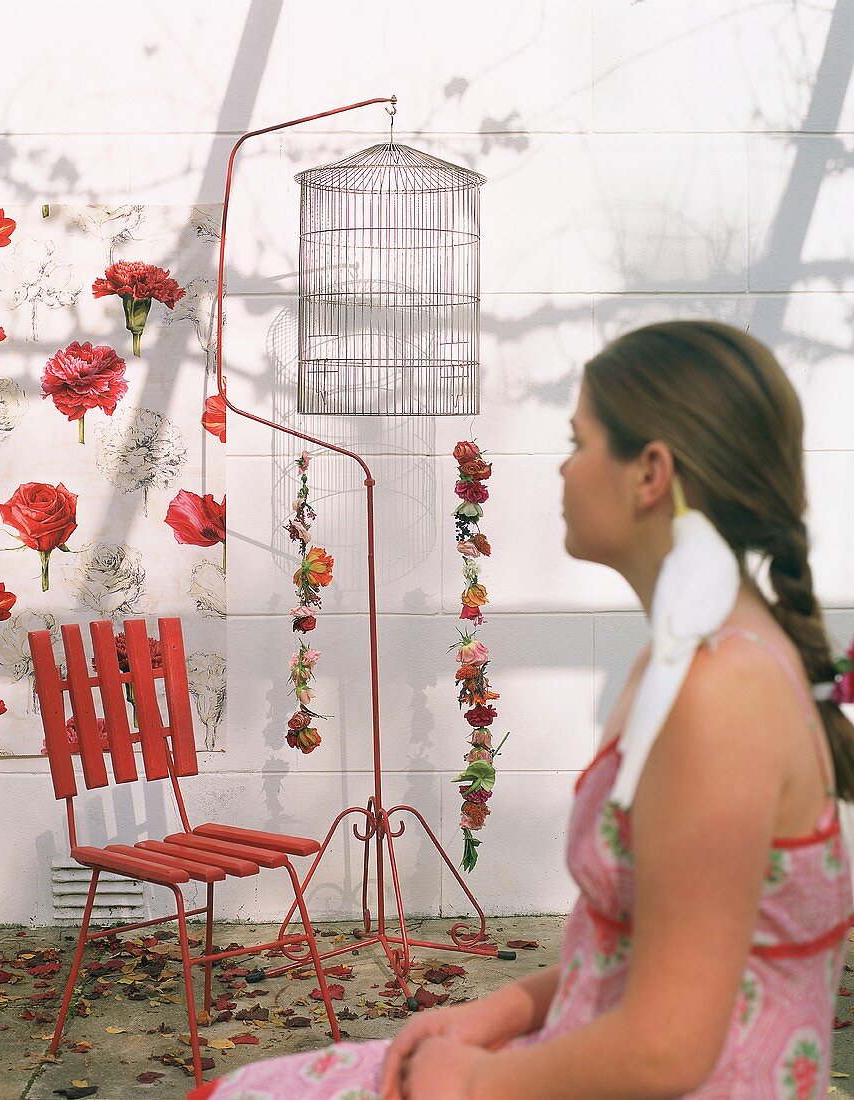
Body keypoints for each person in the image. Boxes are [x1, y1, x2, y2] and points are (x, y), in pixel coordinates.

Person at [191, 320, 854, 1099]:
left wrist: (471, 1084)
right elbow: (628, 953)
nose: (563, 470)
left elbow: (669, 1047)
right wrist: (499, 1012)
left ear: (650, 473)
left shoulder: (719, 698)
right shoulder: (689, 660)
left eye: (578, 443)